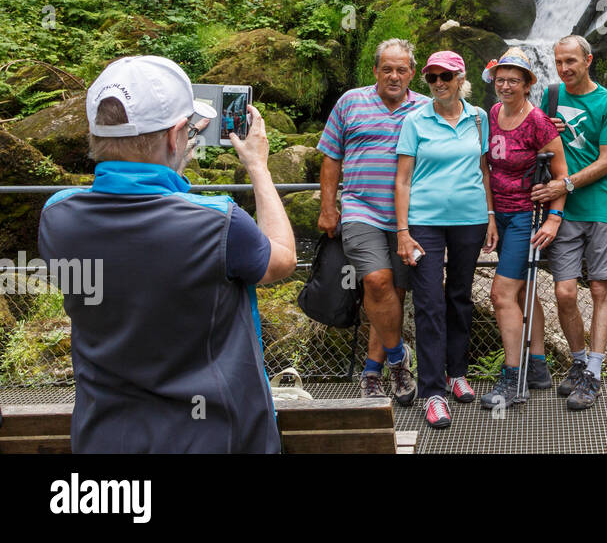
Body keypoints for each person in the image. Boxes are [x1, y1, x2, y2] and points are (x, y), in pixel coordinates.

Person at [38, 55, 296, 452]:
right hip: (215, 438)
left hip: (105, 441)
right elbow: (282, 259)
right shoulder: (219, 222)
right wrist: (258, 166)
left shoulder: (57, 217)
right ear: (177, 136)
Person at [317, 39, 428, 404]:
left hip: (407, 218)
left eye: (401, 69)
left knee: (392, 293)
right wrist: (328, 208)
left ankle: (371, 372)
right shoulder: (351, 102)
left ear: (412, 73)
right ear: (376, 70)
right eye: (387, 69)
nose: (393, 76)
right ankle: (399, 361)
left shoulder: (425, 109)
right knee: (377, 282)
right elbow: (332, 156)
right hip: (360, 209)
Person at [395, 51, 495, 430]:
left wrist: (490, 217)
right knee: (429, 302)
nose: (439, 82)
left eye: (446, 76)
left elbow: (484, 170)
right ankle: (433, 391)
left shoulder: (479, 118)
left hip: (470, 219)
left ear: (460, 78)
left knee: (459, 297)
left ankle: (457, 373)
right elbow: (402, 179)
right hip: (424, 223)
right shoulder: (415, 120)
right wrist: (403, 231)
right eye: (433, 77)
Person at [530, 35, 607, 411]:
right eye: (558, 62)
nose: (564, 68)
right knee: (565, 292)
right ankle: (577, 360)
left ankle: (595, 372)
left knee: (601, 290)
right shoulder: (551, 96)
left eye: (571, 61)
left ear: (588, 60)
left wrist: (566, 182)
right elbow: (540, 144)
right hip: (563, 212)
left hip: (602, 209)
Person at [479, 48, 568, 408]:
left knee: (501, 294)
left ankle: (513, 380)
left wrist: (553, 218)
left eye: (513, 80)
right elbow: (487, 168)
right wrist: (489, 216)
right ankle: (538, 365)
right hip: (499, 214)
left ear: (528, 83)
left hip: (525, 218)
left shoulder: (539, 123)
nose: (505, 85)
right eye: (500, 79)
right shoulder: (493, 114)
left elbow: (560, 177)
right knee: (523, 290)